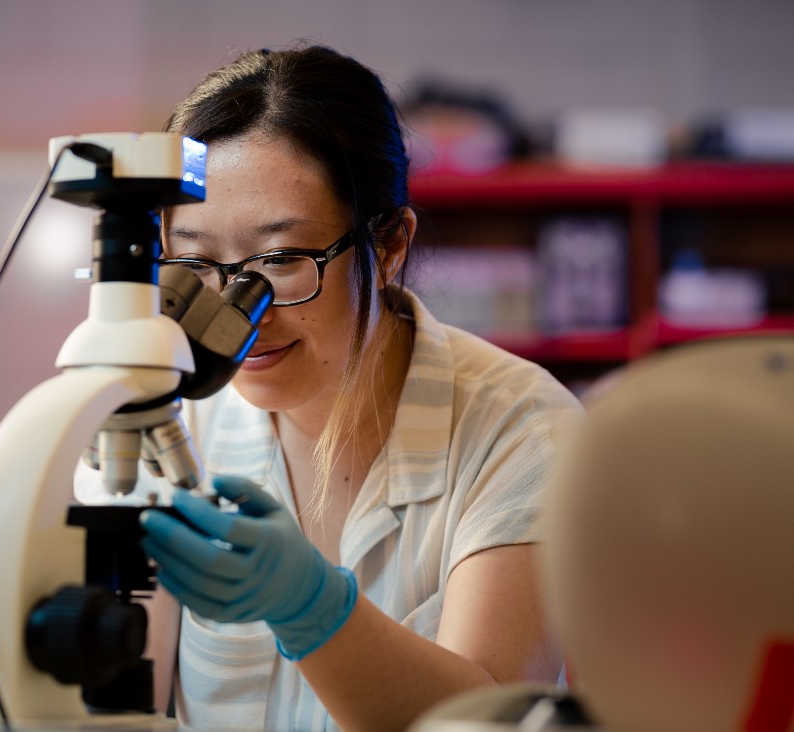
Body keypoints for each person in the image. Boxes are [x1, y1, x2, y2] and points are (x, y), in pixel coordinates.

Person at [90, 43, 582, 731]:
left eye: (281, 261)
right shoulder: (171, 418)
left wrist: (313, 610)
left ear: (388, 246)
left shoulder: (524, 431)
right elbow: (120, 703)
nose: (236, 314)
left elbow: (489, 718)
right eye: (197, 264)